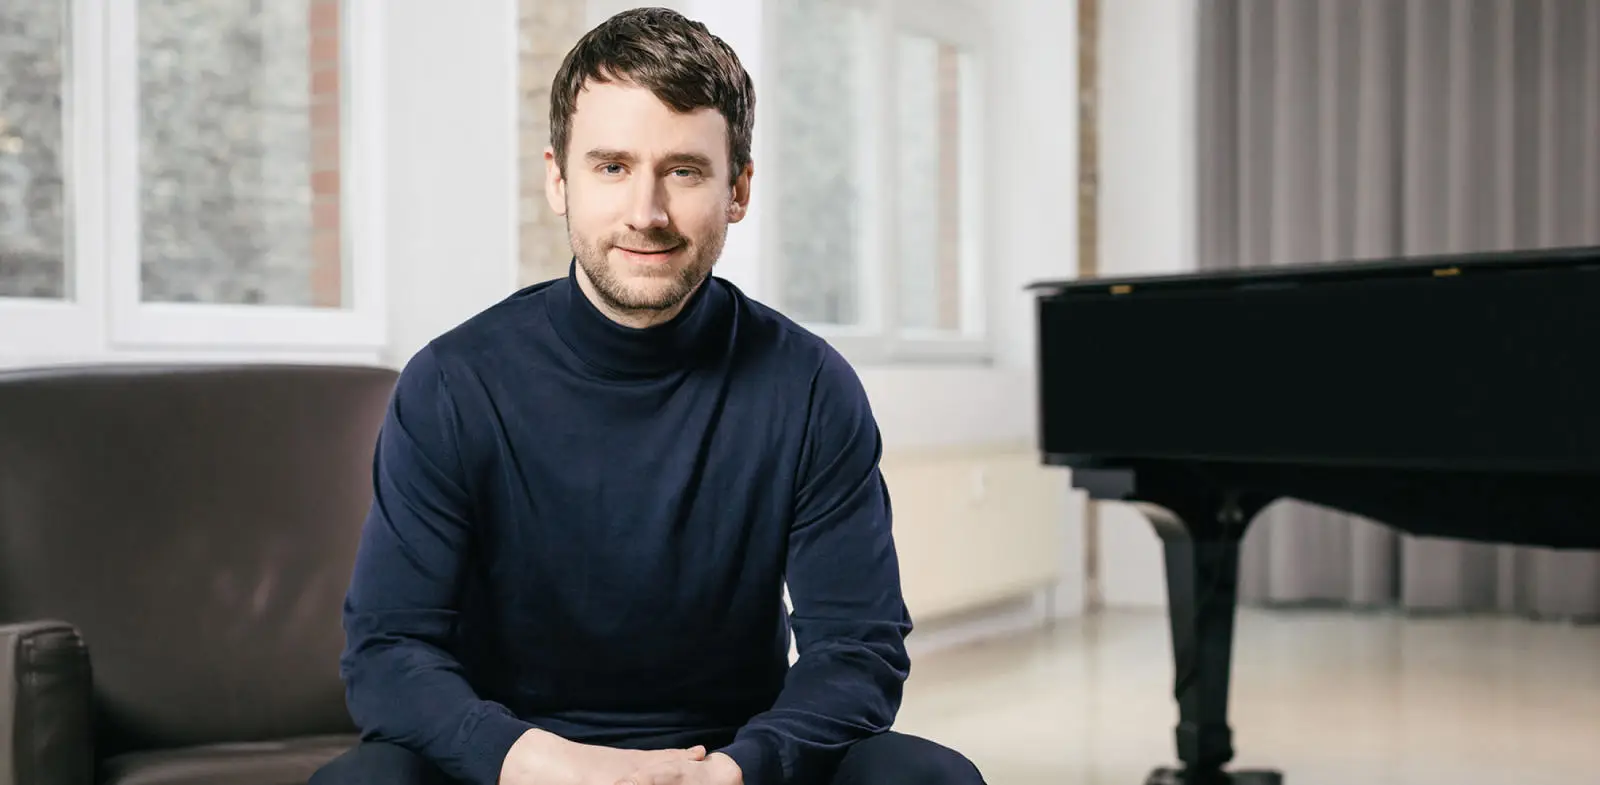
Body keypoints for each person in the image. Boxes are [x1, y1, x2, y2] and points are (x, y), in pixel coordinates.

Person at [310, 7, 985, 785]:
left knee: (929, 777)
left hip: (728, 762)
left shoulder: (809, 386)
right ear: (557, 179)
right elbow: (388, 653)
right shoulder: (453, 384)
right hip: (521, 765)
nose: (646, 212)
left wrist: (736, 769)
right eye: (611, 166)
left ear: (738, 188)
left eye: (685, 170)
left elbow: (857, 650)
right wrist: (542, 763)